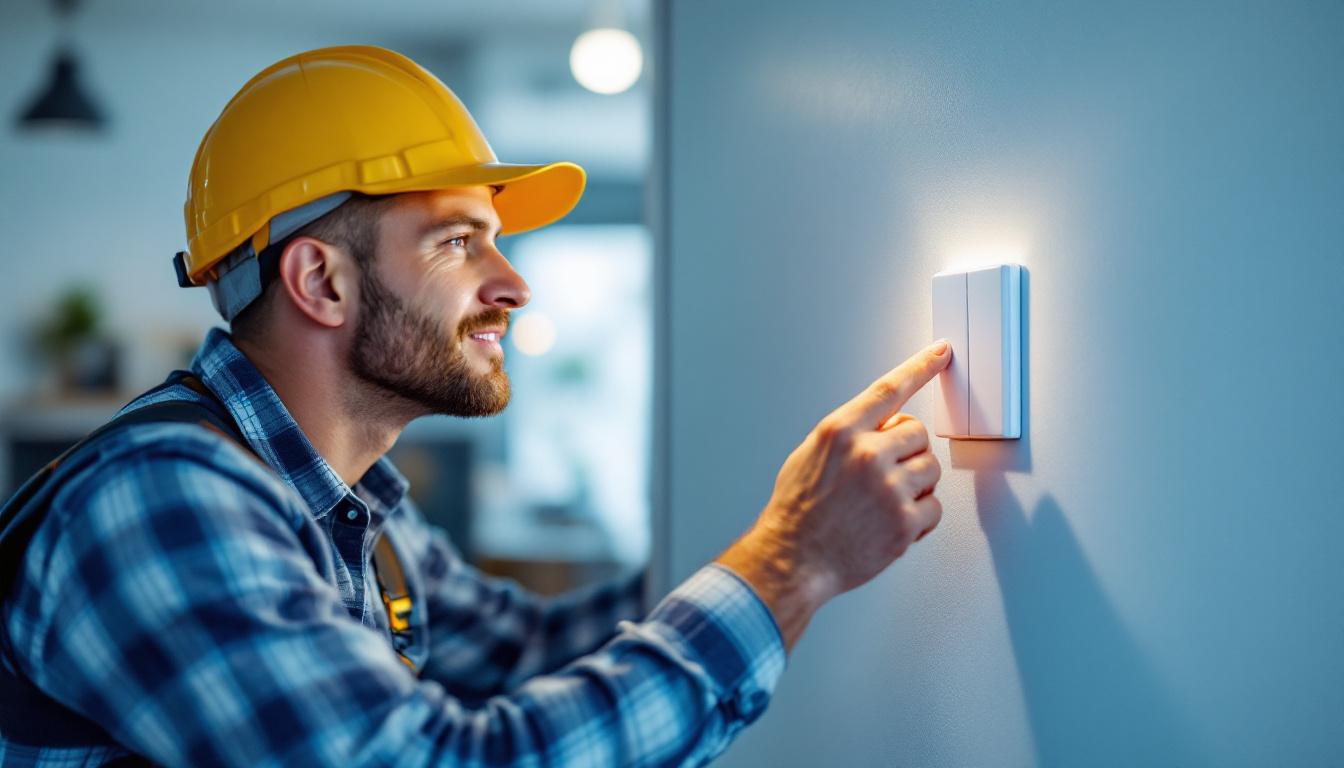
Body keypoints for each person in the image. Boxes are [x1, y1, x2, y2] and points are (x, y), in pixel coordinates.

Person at [0, 46, 950, 766]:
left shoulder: (356, 513)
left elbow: (530, 649)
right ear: (320, 281)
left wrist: (779, 522)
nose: (513, 285)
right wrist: (789, 564)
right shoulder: (158, 502)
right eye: (459, 242)